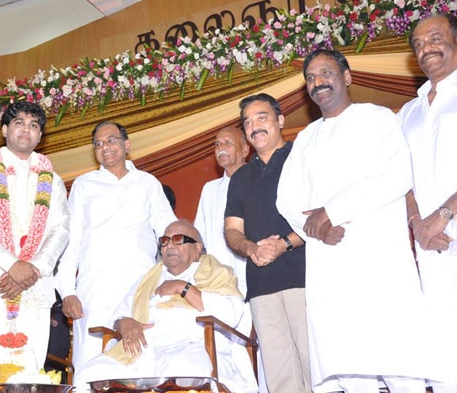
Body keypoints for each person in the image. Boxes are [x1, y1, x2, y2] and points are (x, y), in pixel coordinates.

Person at [276, 49, 435, 392]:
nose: (318, 82)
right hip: (329, 264)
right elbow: (286, 198)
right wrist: (317, 227)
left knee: (399, 363)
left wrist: (331, 211)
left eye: (325, 73)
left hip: (378, 261)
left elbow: (395, 175)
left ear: (346, 77)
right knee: (348, 369)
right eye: (311, 78)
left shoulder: (377, 118)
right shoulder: (305, 138)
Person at [399, 13, 457, 393]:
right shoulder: (408, 112)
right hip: (430, 251)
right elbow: (399, 179)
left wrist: (442, 216)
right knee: (447, 362)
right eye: (418, 44)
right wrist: (420, 225)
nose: (425, 48)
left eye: (434, 38)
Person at [55, 120, 177, 379]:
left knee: (139, 366)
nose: (105, 147)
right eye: (98, 144)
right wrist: (67, 291)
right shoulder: (83, 185)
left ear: (126, 145)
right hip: (93, 292)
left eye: (111, 140)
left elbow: (169, 233)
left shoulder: (147, 183)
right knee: (90, 367)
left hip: (139, 290)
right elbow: (71, 242)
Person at [75, 219, 255, 393]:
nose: (169, 246)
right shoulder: (149, 278)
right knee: (88, 374)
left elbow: (232, 315)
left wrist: (183, 288)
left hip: (192, 347)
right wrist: (124, 323)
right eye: (165, 241)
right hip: (142, 352)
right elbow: (119, 314)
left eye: (178, 239)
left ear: (198, 248)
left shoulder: (217, 272)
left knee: (185, 373)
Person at [0, 101, 70, 384]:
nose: (27, 130)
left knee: (29, 370)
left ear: (40, 136)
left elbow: (60, 229)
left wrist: (33, 268)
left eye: (34, 125)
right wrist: (13, 265)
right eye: (19, 122)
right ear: (4, 129)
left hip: (35, 285)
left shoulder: (54, 180)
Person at [224, 94, 309, 393]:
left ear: (280, 120)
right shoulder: (241, 177)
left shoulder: (303, 156)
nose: (254, 126)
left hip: (306, 278)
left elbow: (324, 215)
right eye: (248, 122)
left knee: (316, 368)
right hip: (261, 286)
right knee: (280, 376)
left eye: (262, 117)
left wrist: (284, 243)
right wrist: (251, 249)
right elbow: (232, 230)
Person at [195, 126, 250, 295]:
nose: (220, 148)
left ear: (245, 150)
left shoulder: (258, 182)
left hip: (252, 275)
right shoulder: (210, 189)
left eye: (228, 143)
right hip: (218, 281)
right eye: (217, 144)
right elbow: (199, 235)